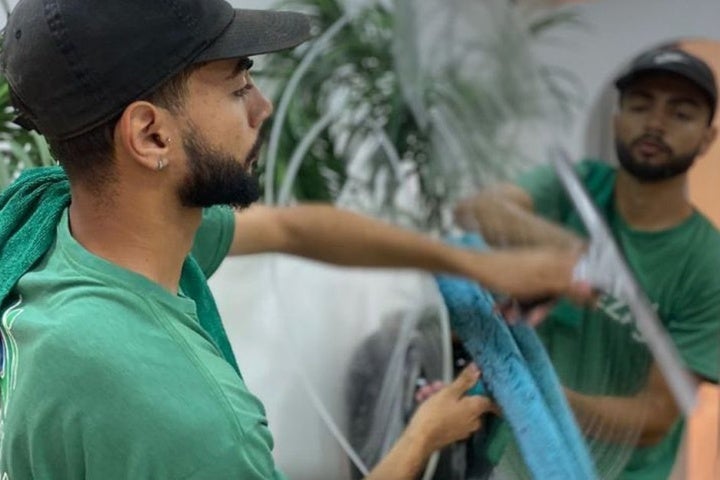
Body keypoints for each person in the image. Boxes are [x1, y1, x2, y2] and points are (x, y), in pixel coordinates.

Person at [0, 1, 589, 478]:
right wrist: (421, 439)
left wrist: (479, 266)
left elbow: (291, 229)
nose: (264, 107)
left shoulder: (65, 235)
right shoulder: (190, 421)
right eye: (238, 88)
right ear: (151, 136)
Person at [455, 45, 720, 479]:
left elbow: (655, 416)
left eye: (681, 113)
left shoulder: (708, 265)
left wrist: (540, 396)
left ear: (708, 138)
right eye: (640, 105)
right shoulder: (575, 188)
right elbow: (479, 210)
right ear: (617, 119)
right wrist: (563, 247)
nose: (655, 123)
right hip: (512, 460)